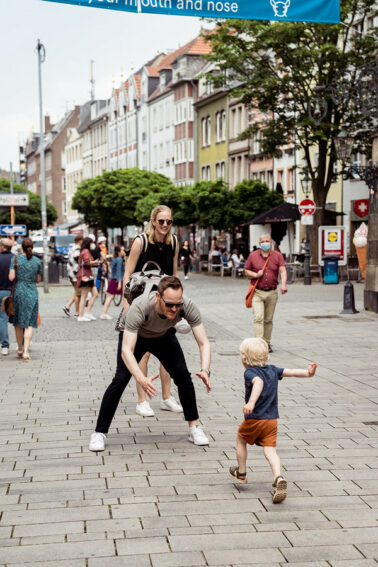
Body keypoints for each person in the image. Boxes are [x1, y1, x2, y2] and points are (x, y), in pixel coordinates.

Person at [89, 276, 212, 452]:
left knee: (183, 377)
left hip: (163, 336)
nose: (174, 309)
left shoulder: (187, 306)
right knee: (120, 379)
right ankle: (99, 432)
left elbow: (204, 343)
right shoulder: (140, 307)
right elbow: (126, 350)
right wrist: (141, 378)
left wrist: (205, 370)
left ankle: (194, 428)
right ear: (158, 297)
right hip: (137, 337)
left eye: (178, 304)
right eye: (169, 304)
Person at [229, 337, 317, 503]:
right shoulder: (273, 370)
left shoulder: (250, 373)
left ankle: (241, 472)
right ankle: (278, 478)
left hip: (254, 419)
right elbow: (291, 372)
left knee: (241, 439)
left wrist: (251, 402)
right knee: (270, 451)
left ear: (244, 359)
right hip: (271, 420)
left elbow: (258, 383)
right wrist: (308, 373)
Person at [123, 205, 182, 417]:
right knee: (144, 353)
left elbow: (174, 276)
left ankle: (166, 397)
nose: (165, 225)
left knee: (167, 352)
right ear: (154, 222)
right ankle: (142, 400)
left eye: (169, 221)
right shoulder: (141, 242)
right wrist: (126, 304)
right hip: (141, 302)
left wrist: (178, 303)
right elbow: (128, 273)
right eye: (161, 221)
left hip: (165, 304)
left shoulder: (173, 242)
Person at [244, 234, 287, 353]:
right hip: (257, 292)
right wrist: (255, 275)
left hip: (272, 292)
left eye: (267, 241)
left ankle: (267, 343)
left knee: (268, 319)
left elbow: (282, 270)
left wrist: (284, 284)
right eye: (263, 241)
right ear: (259, 243)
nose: (265, 243)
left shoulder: (277, 256)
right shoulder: (253, 256)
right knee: (258, 318)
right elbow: (246, 270)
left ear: (271, 243)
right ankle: (259, 344)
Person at [9, 238, 42, 361]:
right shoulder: (37, 261)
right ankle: (26, 352)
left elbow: (11, 277)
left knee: (18, 322)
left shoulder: (16, 259)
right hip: (32, 292)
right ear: (32, 247)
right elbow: (38, 280)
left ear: (21, 247)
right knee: (29, 323)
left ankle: (19, 348)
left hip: (19, 291)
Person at [76, 237, 101, 322]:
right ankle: (81, 315)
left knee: (95, 293)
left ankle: (87, 313)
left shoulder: (84, 251)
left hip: (87, 275)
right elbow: (87, 262)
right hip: (85, 275)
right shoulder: (86, 251)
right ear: (88, 243)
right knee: (84, 296)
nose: (93, 245)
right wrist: (95, 262)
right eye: (91, 243)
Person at [100, 245, 125, 320]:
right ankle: (104, 313)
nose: (124, 252)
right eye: (122, 250)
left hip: (114, 279)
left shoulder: (115, 259)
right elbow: (118, 272)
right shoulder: (119, 260)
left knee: (111, 296)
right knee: (112, 296)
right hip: (117, 280)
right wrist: (120, 283)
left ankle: (104, 313)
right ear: (119, 252)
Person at [63, 234, 83, 318]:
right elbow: (76, 257)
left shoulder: (71, 248)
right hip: (75, 273)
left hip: (71, 273)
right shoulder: (77, 249)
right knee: (79, 294)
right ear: (80, 241)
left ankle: (67, 307)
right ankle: (76, 313)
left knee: (77, 292)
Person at [0, 238, 14, 356]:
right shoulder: (16, 258)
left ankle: (5, 346)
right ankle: (23, 344)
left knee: (2, 319)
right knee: (18, 319)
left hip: (1, 292)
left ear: (2, 247)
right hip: (14, 292)